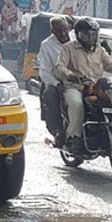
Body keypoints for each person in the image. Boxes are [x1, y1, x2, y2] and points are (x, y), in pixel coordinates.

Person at [54, 17, 112, 154]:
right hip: (75, 87)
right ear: (77, 34)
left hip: (96, 87)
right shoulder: (68, 48)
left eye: (93, 34)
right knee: (77, 104)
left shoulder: (100, 51)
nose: (90, 37)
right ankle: (74, 137)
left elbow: (111, 65)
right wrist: (72, 76)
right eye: (86, 34)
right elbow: (59, 68)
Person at [37, 16, 71, 147]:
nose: (63, 34)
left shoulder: (77, 39)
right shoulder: (46, 46)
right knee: (50, 94)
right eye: (59, 31)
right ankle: (58, 131)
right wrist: (58, 84)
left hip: (79, 80)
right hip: (57, 81)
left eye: (65, 30)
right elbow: (45, 72)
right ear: (52, 31)